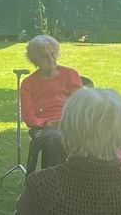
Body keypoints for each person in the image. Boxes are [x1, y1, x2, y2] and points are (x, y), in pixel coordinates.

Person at [19, 34, 84, 171]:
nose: (51, 59)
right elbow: (28, 118)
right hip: (43, 128)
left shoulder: (70, 74)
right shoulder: (28, 84)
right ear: (35, 60)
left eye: (53, 54)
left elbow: (81, 103)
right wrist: (48, 123)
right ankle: (54, 181)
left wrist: (68, 121)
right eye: (44, 56)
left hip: (70, 122)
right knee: (57, 138)